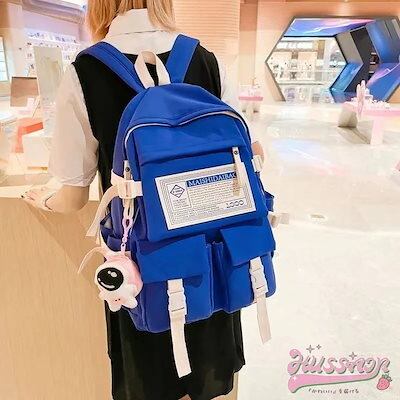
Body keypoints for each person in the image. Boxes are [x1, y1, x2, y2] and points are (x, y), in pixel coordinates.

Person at [24, 1, 264, 399]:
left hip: (141, 271)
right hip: (213, 259)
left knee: (149, 380)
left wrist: (42, 200)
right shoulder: (207, 61)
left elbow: (72, 197)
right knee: (208, 375)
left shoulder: (86, 71)